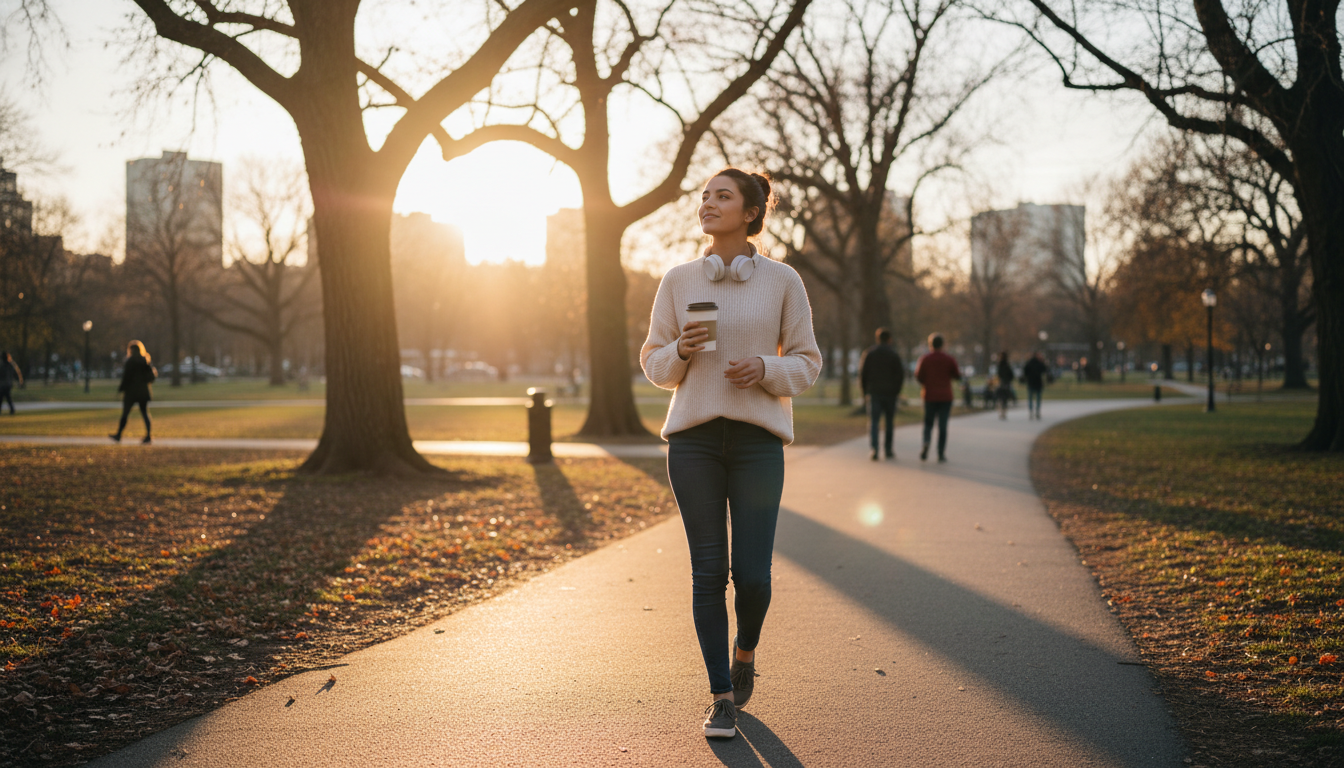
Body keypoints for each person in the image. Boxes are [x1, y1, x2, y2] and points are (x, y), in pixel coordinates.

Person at [640, 168, 821, 740]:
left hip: (756, 442)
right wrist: (681, 350)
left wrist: (766, 369)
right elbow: (653, 365)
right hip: (693, 440)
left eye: (722, 196)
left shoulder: (784, 280)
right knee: (707, 573)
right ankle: (721, 695)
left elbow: (808, 363)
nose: (707, 203)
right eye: (704, 196)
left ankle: (745, 654)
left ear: (751, 211)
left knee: (755, 577)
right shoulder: (677, 279)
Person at [859, 328, 905, 461]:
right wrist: (897, 391)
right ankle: (888, 449)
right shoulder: (894, 355)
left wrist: (864, 392)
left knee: (874, 421)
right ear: (889, 339)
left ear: (877, 338)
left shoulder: (870, 354)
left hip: (874, 392)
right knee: (889, 422)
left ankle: (874, 449)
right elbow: (900, 375)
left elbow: (863, 374)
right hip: (890, 393)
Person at [914, 333, 961, 462]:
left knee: (928, 423)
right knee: (943, 425)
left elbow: (918, 375)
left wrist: (926, 382)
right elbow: (957, 375)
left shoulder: (925, 358)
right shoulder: (949, 359)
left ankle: (926, 442)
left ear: (930, 345)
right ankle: (940, 453)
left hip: (929, 395)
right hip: (945, 396)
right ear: (943, 345)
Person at [110, 341, 157, 444]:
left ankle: (119, 435)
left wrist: (121, 389)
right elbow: (152, 376)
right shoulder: (145, 361)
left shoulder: (130, 361)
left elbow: (126, 377)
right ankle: (148, 435)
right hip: (143, 391)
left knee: (125, 414)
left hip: (131, 392)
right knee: (145, 413)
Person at [1023, 350, 1050, 419]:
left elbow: (1025, 372)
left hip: (1032, 383)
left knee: (1031, 398)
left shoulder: (1029, 363)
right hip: (1037, 383)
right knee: (1036, 398)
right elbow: (1045, 370)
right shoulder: (1039, 363)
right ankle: (1036, 412)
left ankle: (1032, 412)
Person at [995, 351, 1015, 420]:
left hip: (1002, 384)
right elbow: (1011, 375)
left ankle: (1002, 412)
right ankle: (1003, 413)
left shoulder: (1000, 365)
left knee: (1000, 399)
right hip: (1006, 384)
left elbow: (999, 375)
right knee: (1004, 399)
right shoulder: (1007, 365)